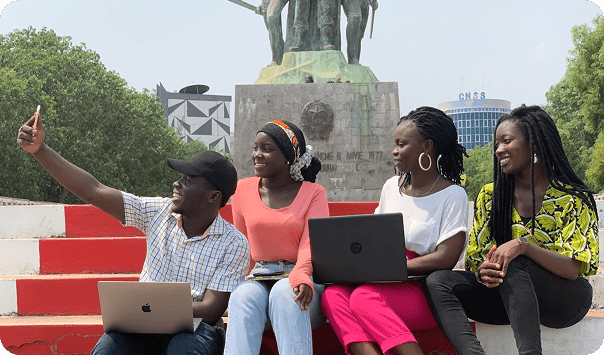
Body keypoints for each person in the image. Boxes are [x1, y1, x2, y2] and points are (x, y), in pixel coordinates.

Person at [16, 109, 250, 355]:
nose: (176, 183)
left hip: (197, 330)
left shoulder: (233, 243)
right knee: (108, 350)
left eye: (188, 181)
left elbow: (212, 309)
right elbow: (93, 191)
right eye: (179, 177)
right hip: (144, 323)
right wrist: (40, 150)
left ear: (213, 196)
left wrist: (149, 307)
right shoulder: (158, 212)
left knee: (184, 351)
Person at [424, 105, 599, 355]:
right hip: (509, 299)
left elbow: (572, 269)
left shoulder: (572, 198)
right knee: (438, 281)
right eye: (496, 144)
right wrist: (485, 271)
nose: (498, 150)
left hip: (564, 300)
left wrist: (523, 247)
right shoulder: (490, 195)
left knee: (515, 259)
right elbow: (474, 261)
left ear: (534, 144)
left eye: (507, 141)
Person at [321, 106, 469, 355]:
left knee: (363, 299)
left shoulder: (453, 194)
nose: (394, 150)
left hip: (422, 287)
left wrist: (396, 267)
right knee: (333, 295)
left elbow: (447, 257)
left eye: (402, 144)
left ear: (427, 147)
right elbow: (374, 236)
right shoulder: (391, 187)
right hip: (382, 276)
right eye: (395, 143)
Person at [223, 120, 328, 355]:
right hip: (260, 276)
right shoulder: (242, 191)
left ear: (288, 157)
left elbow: (310, 242)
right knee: (243, 295)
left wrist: (301, 274)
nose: (257, 155)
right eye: (255, 148)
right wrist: (235, 284)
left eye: (266, 149)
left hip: (303, 278)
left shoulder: (313, 193)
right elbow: (243, 246)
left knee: (284, 291)